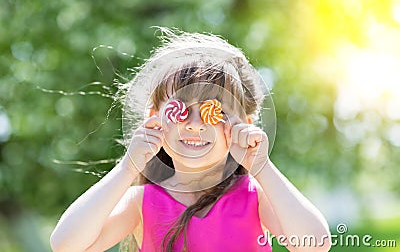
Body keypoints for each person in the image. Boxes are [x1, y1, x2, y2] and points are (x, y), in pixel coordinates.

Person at [50, 28, 331, 252]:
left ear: (243, 125)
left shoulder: (254, 196)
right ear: (155, 119)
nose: (195, 125)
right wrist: (127, 169)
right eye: (182, 110)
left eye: (214, 111)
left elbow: (316, 245)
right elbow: (66, 245)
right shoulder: (142, 202)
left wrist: (263, 167)